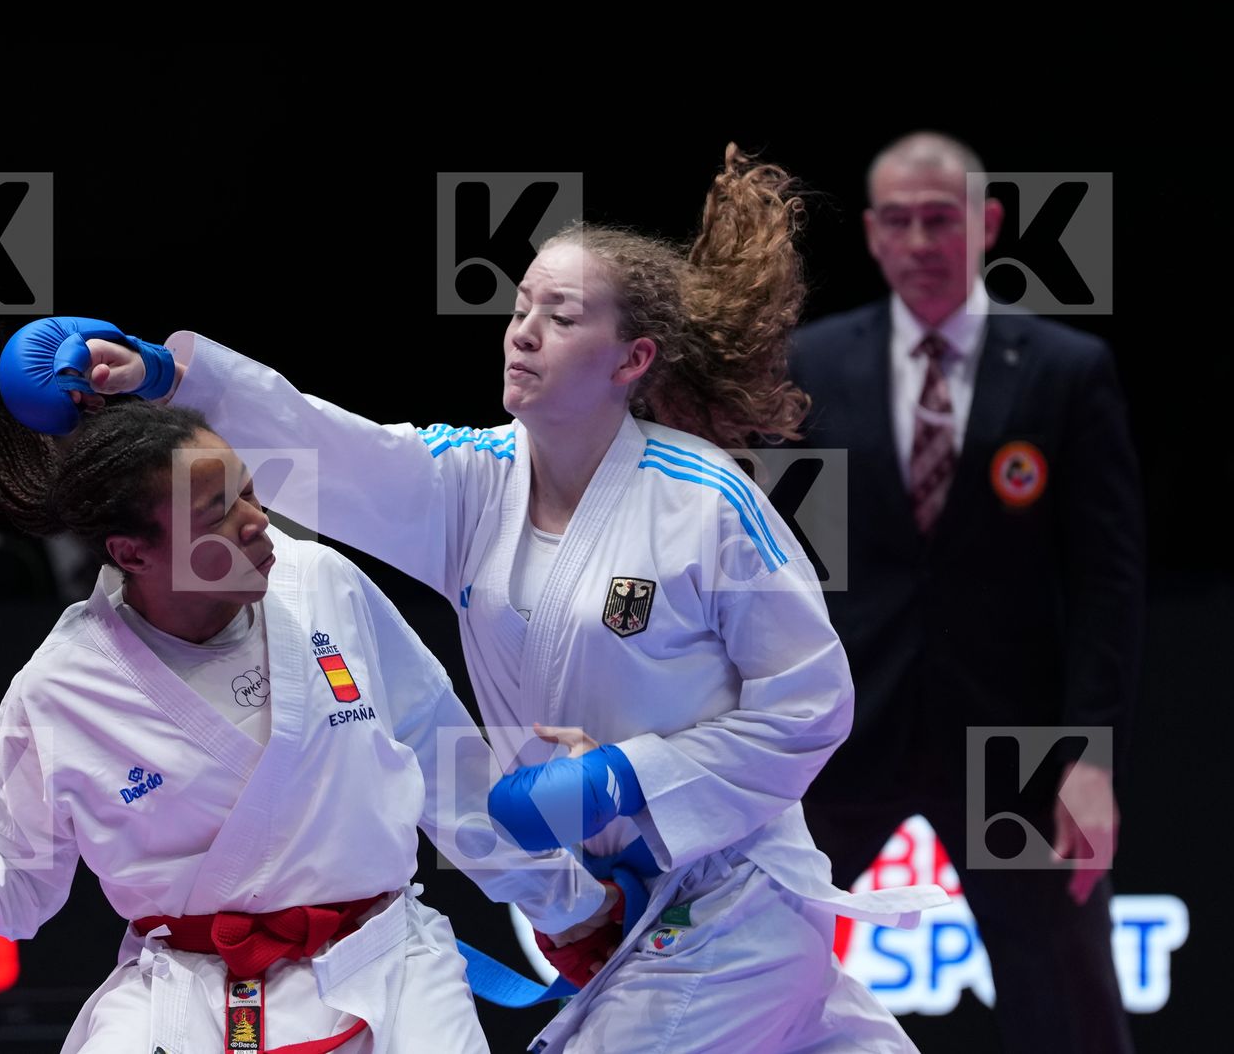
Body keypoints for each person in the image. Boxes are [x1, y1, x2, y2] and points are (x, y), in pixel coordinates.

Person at [63, 145, 947, 1053]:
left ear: (631, 358)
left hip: (730, 896)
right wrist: (173, 383)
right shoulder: (471, 485)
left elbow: (812, 703)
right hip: (621, 904)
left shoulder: (707, 506)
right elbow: (328, 448)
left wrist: (626, 776)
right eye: (521, 307)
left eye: (560, 317)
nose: (522, 331)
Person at [0, 256, 611, 1054]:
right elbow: (19, 889)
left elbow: (449, 764)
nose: (255, 521)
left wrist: (572, 913)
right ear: (131, 552)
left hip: (386, 971)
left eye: (246, 487)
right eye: (216, 510)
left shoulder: (321, 583)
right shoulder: (62, 688)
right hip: (187, 998)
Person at [781, 132, 1143, 1053]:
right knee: (757, 956)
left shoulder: (1064, 369)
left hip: (1014, 744)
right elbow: (770, 562)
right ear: (870, 233)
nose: (920, 241)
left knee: (1066, 997)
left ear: (986, 224)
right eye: (898, 221)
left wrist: (1091, 758)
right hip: (844, 723)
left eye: (941, 219)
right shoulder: (810, 367)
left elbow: (1105, 578)